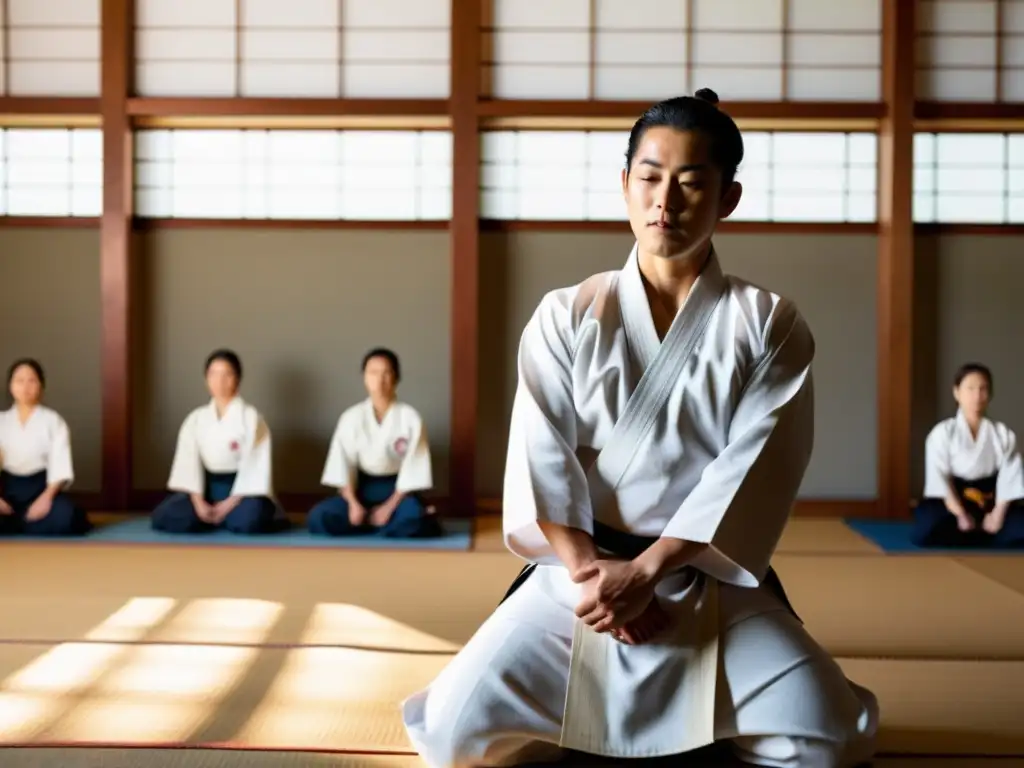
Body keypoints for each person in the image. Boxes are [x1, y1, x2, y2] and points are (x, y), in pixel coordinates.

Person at [401, 90, 878, 768]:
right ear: (625, 184)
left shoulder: (768, 324)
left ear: (729, 198)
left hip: (699, 572)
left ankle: (650, 718)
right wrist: (596, 576)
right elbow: (542, 461)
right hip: (581, 575)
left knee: (830, 739)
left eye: (691, 183)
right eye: (650, 177)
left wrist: (651, 569)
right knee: (450, 740)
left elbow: (754, 469)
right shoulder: (568, 315)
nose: (666, 201)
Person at [308, 348, 441, 538]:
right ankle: (376, 524)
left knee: (414, 520)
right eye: (373, 373)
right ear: (364, 378)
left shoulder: (410, 418)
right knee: (318, 518)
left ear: (396, 378)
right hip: (361, 488)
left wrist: (389, 507)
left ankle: (377, 523)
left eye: (387, 373)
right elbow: (342, 467)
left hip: (397, 490)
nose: (380, 379)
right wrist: (353, 504)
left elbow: (413, 471)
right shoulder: (351, 417)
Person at [151, 349, 282, 534]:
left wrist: (228, 504)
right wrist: (198, 502)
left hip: (242, 494)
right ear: (206, 379)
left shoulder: (252, 419)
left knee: (250, 519)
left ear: (238, 379)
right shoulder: (195, 419)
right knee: (165, 515)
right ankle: (211, 515)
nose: (219, 381)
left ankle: (219, 517)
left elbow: (255, 471)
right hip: (205, 490)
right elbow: (188, 466)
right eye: (213, 374)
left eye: (227, 374)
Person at [911, 363, 1024, 548]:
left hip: (991, 501)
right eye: (970, 388)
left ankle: (984, 532)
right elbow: (939, 478)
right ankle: (980, 535)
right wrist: (960, 514)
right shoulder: (942, 433)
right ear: (957, 393)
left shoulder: (1003, 434)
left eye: (983, 389)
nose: (977, 396)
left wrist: (997, 514)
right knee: (927, 527)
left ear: (990, 394)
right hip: (953, 502)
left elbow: (1009, 479)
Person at [0, 359, 91, 536]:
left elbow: (60, 464)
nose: (25, 386)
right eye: (19, 381)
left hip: (41, 488)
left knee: (64, 517)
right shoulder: (1, 421)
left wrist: (46, 498)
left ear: (41, 386)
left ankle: (16, 525)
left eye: (31, 380)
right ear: (10, 386)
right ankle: (22, 523)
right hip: (7, 490)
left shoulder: (52, 421)